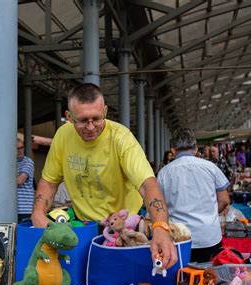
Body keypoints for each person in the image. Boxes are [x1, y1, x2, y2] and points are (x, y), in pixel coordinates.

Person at [31, 83, 177, 269]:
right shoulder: (63, 136)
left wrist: (161, 228)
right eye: (83, 120)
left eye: (97, 119)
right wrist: (38, 213)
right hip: (84, 228)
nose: (91, 127)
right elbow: (49, 182)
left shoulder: (121, 138)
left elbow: (148, 185)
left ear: (105, 111)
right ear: (69, 117)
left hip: (123, 230)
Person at [157, 128, 230, 263]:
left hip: (179, 239)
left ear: (173, 150)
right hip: (209, 236)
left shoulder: (164, 173)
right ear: (196, 148)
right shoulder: (211, 167)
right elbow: (225, 200)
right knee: (210, 279)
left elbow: (159, 207)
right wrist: (210, 215)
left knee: (181, 279)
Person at [16, 138, 35, 222]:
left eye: (21, 147)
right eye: (17, 148)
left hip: (25, 209)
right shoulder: (9, 163)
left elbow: (19, 181)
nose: (20, 151)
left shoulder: (28, 162)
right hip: (10, 208)